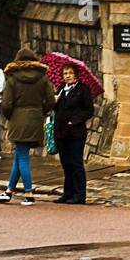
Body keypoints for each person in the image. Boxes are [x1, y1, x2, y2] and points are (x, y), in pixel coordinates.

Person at [0, 48, 56, 207]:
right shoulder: (43, 77)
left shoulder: (12, 78)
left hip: (18, 119)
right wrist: (41, 111)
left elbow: (6, 104)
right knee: (20, 155)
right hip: (35, 118)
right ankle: (8, 192)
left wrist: (10, 116)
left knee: (22, 156)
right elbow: (50, 100)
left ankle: (28, 193)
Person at [53, 64, 95, 205]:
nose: (68, 76)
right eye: (65, 73)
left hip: (75, 133)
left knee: (76, 163)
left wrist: (75, 120)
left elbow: (88, 110)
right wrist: (54, 101)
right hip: (61, 132)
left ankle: (79, 195)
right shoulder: (61, 90)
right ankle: (68, 193)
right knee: (66, 164)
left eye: (70, 73)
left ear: (76, 75)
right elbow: (55, 109)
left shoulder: (82, 90)